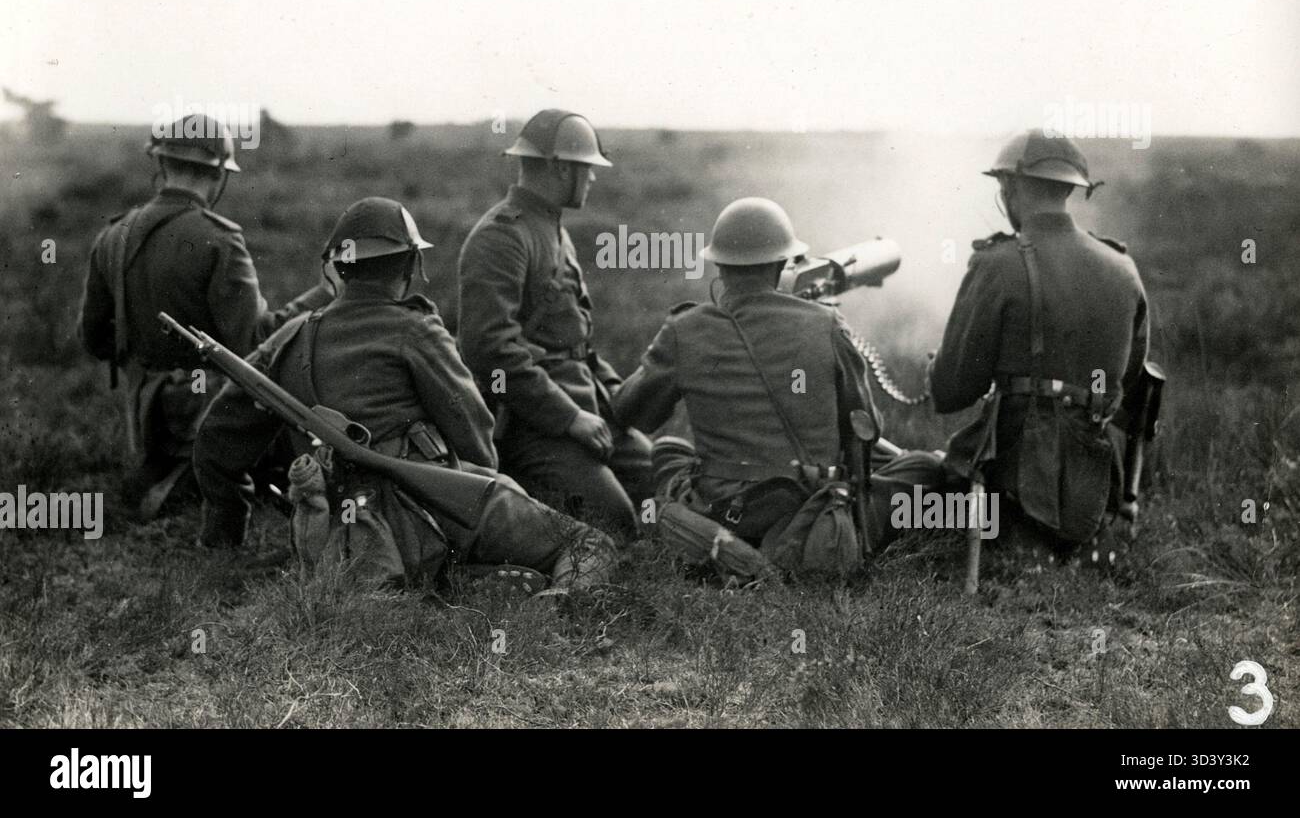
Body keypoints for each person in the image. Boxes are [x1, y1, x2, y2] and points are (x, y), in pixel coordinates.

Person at [193, 197, 616, 591]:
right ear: (411, 265)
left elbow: (216, 438)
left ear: (337, 267)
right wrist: (480, 488)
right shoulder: (417, 330)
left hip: (332, 535)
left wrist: (225, 533)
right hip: (425, 515)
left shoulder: (289, 337)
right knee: (588, 544)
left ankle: (457, 576)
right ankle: (563, 598)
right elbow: (474, 433)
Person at [611, 197, 945, 581]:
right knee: (925, 468)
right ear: (782, 264)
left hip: (723, 508)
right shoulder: (826, 324)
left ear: (719, 265)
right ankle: (800, 548)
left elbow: (631, 412)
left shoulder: (684, 328)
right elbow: (867, 428)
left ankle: (720, 544)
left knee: (669, 450)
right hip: (808, 513)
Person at [78, 119, 331, 519]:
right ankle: (201, 478)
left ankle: (167, 476)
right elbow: (255, 342)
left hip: (144, 415)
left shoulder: (114, 234)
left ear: (161, 164)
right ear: (217, 174)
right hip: (207, 415)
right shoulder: (219, 238)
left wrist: (151, 361)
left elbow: (93, 338)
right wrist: (324, 292)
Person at [929, 129, 1150, 554]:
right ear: (1070, 189)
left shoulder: (997, 265)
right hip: (1094, 495)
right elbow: (1131, 376)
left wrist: (935, 368)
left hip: (1010, 491)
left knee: (909, 489)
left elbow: (951, 391)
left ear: (1008, 188)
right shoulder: (1123, 269)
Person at [457, 110, 652, 541]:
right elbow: (489, 350)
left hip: (584, 408)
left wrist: (613, 394)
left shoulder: (551, 229)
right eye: (587, 169)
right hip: (532, 423)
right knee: (615, 520)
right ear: (562, 167)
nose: (593, 180)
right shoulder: (501, 237)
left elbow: (576, 341)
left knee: (659, 484)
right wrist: (568, 419)